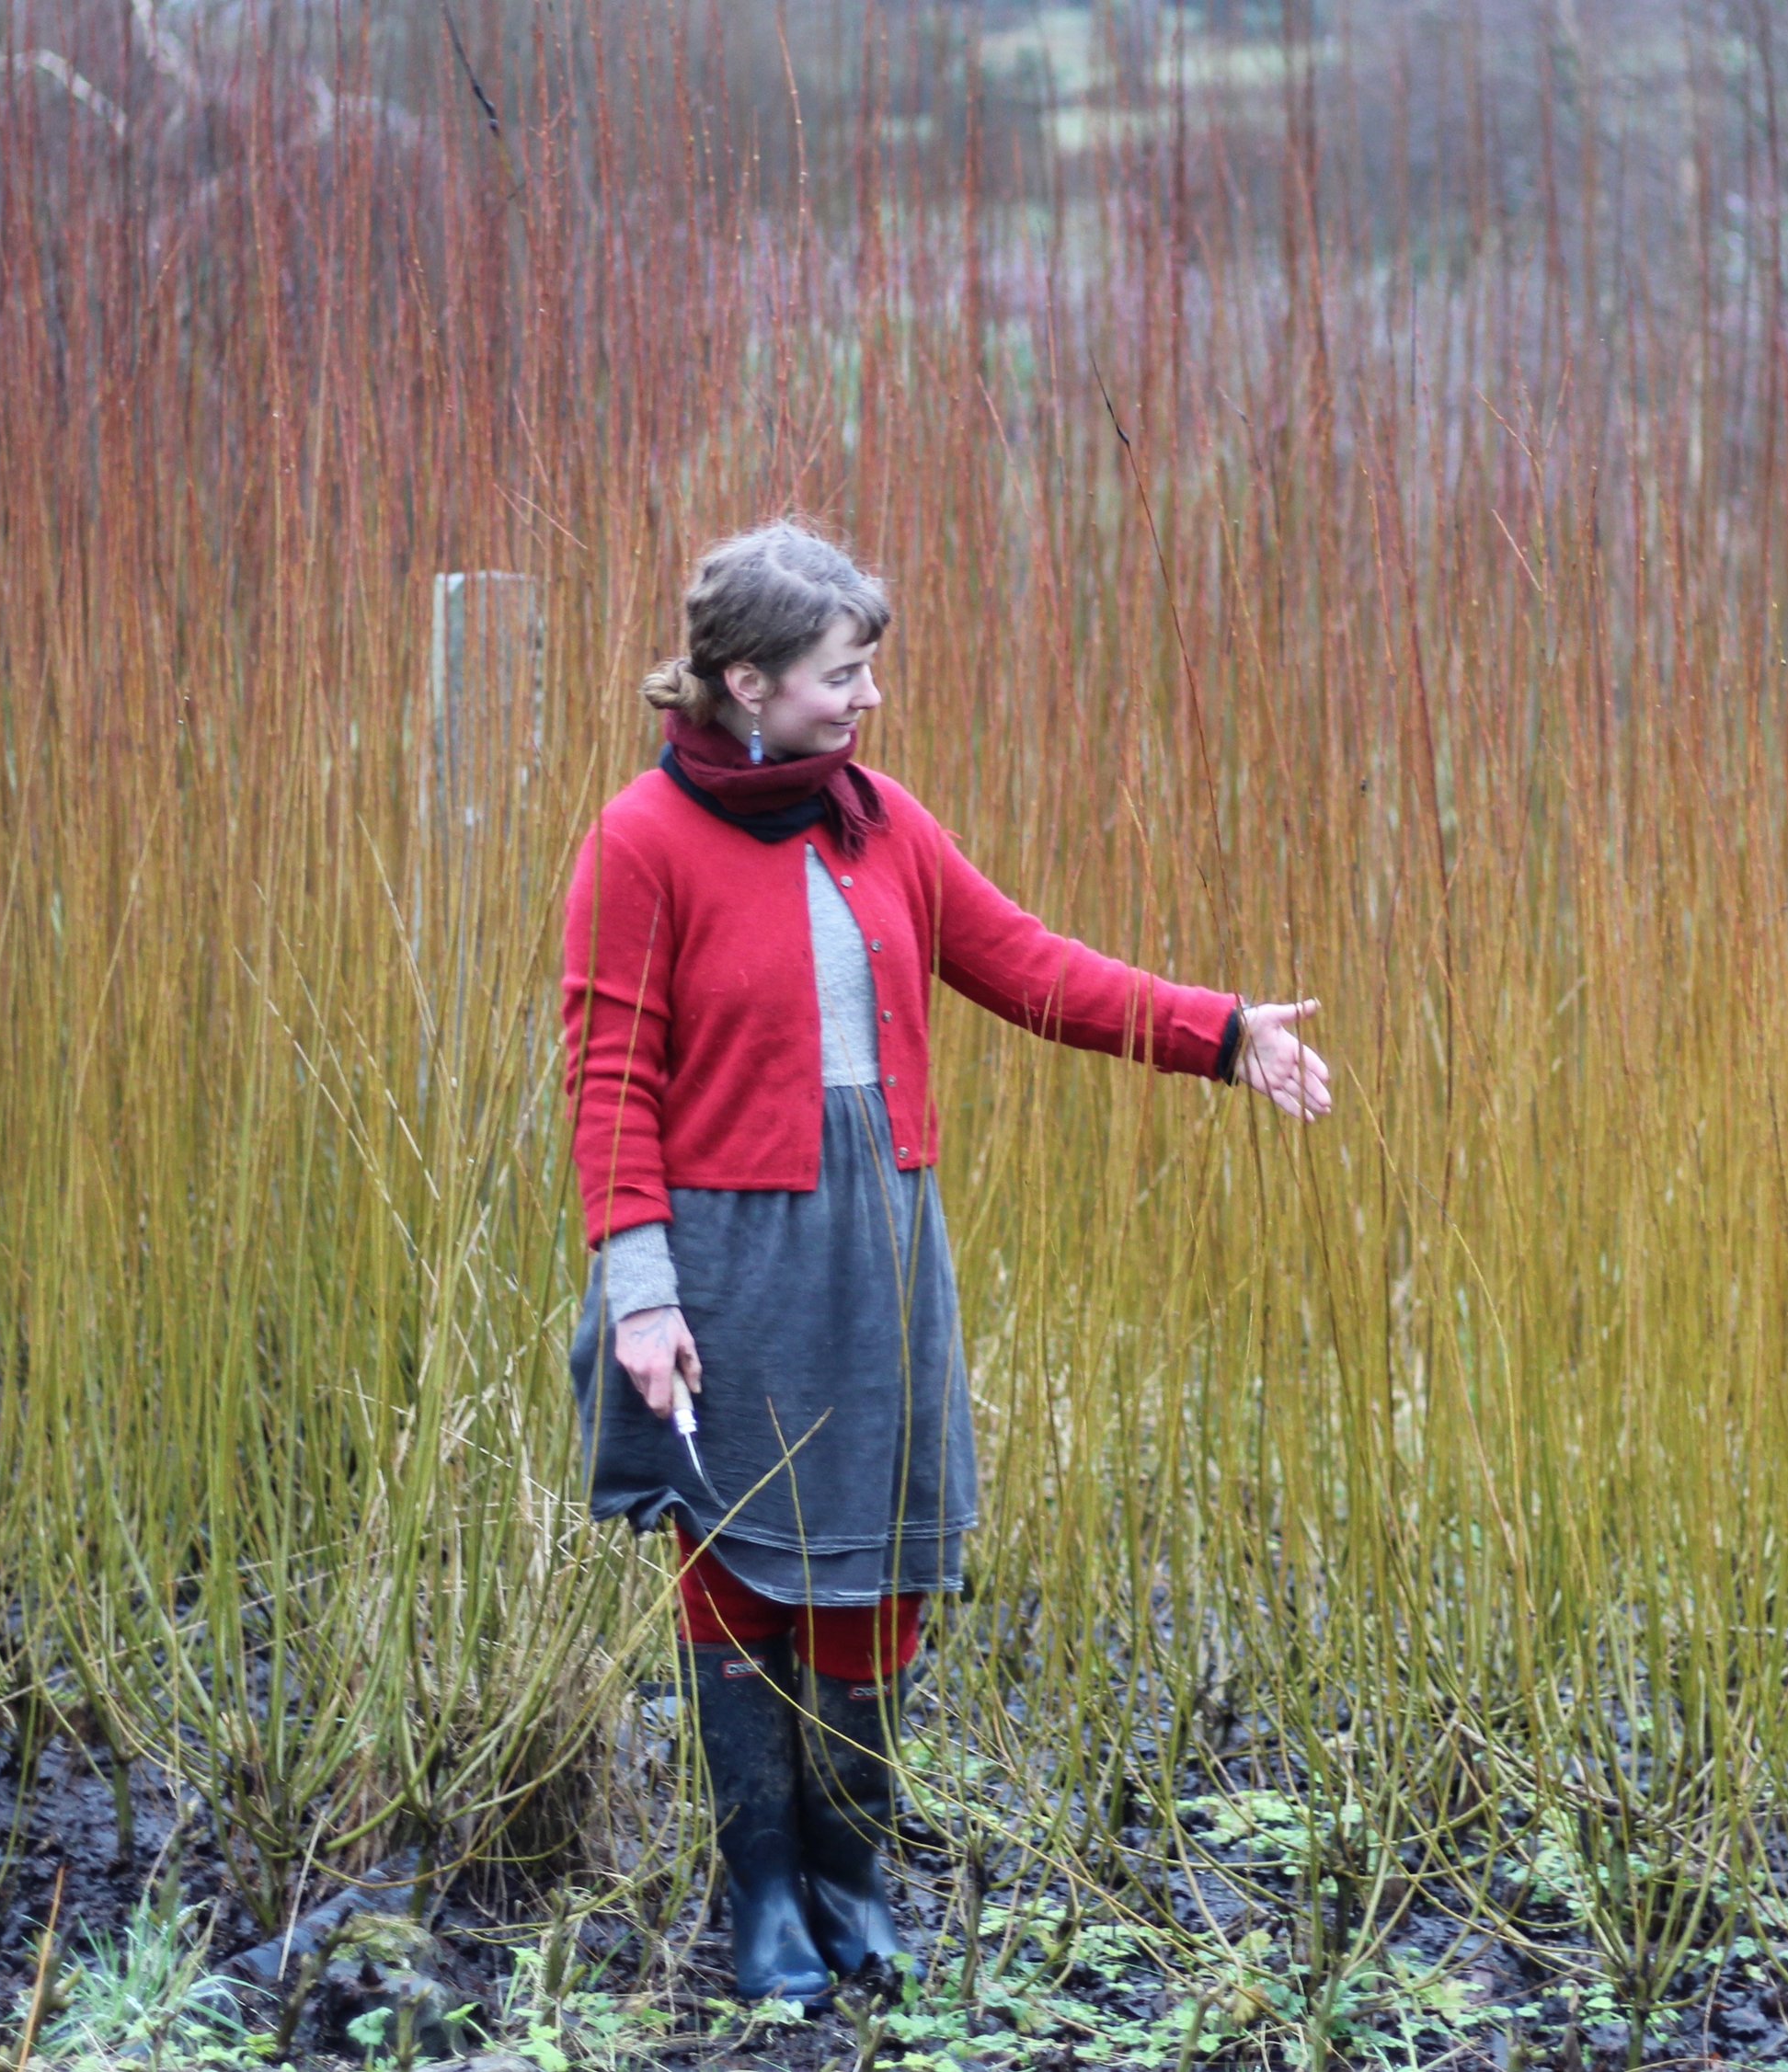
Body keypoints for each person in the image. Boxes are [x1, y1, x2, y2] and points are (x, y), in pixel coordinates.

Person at [562, 520, 1331, 2003]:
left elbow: (1031, 964)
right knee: (737, 1572)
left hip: (885, 1250)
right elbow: (608, 1081)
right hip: (730, 1254)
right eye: (839, 675)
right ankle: (765, 1896)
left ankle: (854, 1878)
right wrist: (641, 1294)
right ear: (745, 678)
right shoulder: (637, 842)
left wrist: (1222, 1033)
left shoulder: (881, 820)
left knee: (885, 1567)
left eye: (866, 673)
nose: (863, 701)